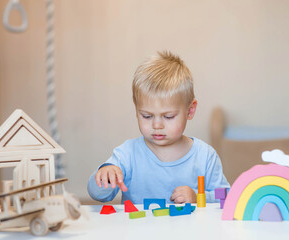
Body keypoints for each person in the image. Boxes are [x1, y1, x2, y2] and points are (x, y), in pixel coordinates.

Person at [87, 51, 229, 204]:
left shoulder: (205, 156)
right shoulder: (127, 154)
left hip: (188, 229)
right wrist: (106, 174)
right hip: (138, 228)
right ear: (136, 110)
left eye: (168, 117)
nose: (157, 125)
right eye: (147, 116)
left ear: (190, 110)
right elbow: (97, 194)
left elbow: (226, 197)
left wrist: (198, 197)